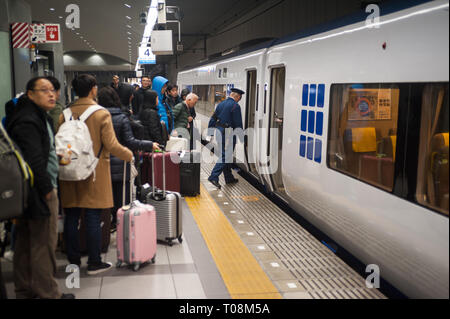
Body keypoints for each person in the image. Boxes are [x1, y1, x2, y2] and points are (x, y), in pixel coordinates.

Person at [5, 76, 74, 299]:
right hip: (39, 190)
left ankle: (24, 289)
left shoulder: (31, 115)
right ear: (30, 94)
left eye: (53, 89)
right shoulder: (28, 119)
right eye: (44, 90)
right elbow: (34, 159)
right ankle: (48, 293)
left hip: (28, 189)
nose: (51, 94)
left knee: (25, 242)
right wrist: (47, 189)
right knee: (43, 244)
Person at [59, 74, 133, 275]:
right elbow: (111, 145)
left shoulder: (64, 114)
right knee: (92, 216)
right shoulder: (100, 114)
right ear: (93, 89)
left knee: (72, 217)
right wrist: (129, 154)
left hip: (69, 171)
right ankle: (94, 262)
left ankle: (73, 261)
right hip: (93, 172)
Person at [97, 86, 160, 228]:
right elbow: (130, 141)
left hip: (101, 165)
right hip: (120, 165)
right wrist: (150, 144)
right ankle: (121, 227)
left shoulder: (97, 118)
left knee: (106, 200)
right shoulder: (121, 118)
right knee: (121, 201)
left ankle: (107, 226)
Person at [207, 88, 245, 189]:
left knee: (225, 155)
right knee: (225, 156)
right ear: (237, 96)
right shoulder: (235, 106)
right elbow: (238, 123)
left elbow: (213, 118)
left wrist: (210, 132)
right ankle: (213, 177)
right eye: (239, 98)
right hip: (228, 133)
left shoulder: (221, 104)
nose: (238, 100)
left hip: (219, 131)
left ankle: (228, 177)